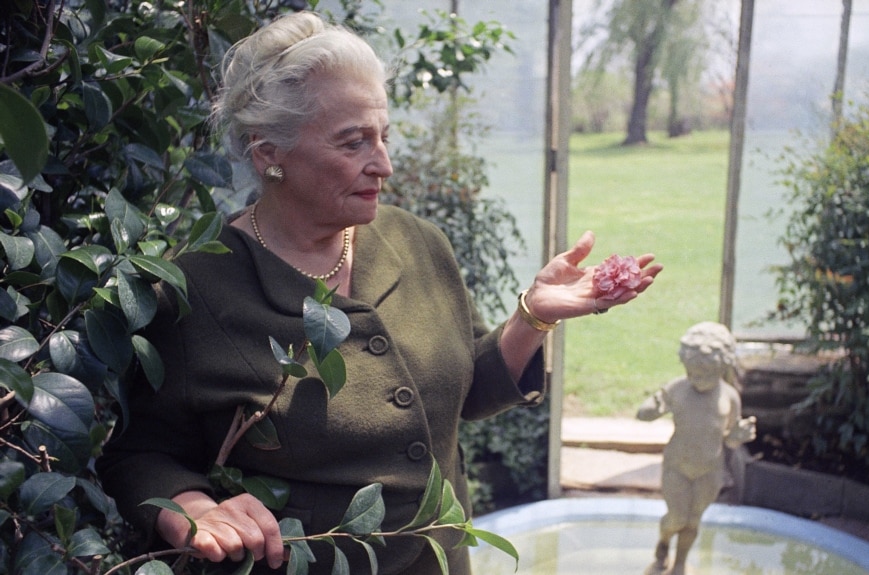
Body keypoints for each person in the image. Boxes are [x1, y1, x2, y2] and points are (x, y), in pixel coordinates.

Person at [96, 11, 662, 575]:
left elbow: (463, 394)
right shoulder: (193, 287)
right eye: (354, 143)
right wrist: (194, 510)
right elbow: (139, 454)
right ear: (268, 151)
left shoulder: (417, 244)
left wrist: (531, 318)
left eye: (384, 136)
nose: (384, 165)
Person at [636, 322, 756, 575]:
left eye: (704, 374)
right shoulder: (677, 389)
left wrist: (737, 436)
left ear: (721, 368)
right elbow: (643, 414)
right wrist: (651, 410)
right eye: (692, 373)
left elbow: (729, 439)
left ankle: (679, 562)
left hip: (710, 470)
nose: (696, 379)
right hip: (677, 466)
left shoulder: (729, 397)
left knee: (693, 521)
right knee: (677, 517)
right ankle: (664, 540)